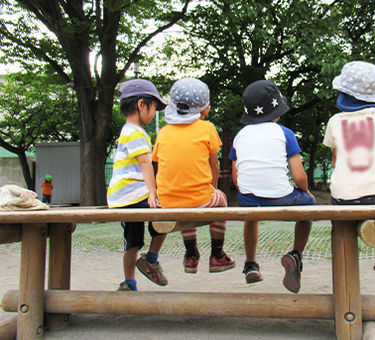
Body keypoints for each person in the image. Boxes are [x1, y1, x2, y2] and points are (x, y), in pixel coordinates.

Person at [229, 79, 316, 294]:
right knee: (309, 207)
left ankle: (250, 263)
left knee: (251, 215)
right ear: (276, 112)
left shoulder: (240, 136)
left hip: (247, 197)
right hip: (282, 196)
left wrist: (250, 190)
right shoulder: (285, 133)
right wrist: (306, 192)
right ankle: (296, 254)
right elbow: (298, 175)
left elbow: (235, 176)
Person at [323, 61, 375, 278]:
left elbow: (336, 157)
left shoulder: (335, 121)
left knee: (340, 215)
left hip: (342, 196)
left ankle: (342, 252)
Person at [152, 77, 235, 274]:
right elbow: (213, 164)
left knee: (185, 204)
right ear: (205, 110)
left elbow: (159, 164)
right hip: (199, 199)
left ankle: (191, 255)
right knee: (220, 200)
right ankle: (217, 255)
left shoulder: (163, 132)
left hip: (167, 202)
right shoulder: (207, 128)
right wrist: (213, 188)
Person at [107, 78, 169, 291]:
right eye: (153, 108)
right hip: (133, 195)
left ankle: (129, 282)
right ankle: (151, 259)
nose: (154, 115)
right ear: (141, 104)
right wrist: (153, 193)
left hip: (124, 197)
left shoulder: (128, 131)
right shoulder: (135, 132)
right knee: (167, 215)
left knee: (132, 242)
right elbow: (145, 164)